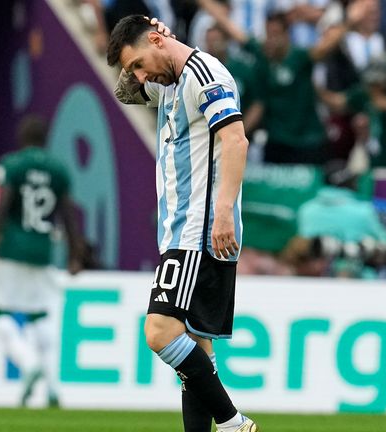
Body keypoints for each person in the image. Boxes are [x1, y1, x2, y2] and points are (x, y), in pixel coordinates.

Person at [107, 15, 256, 432]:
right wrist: (150, 51)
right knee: (196, 350)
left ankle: (231, 423)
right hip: (180, 228)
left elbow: (236, 139)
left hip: (199, 229)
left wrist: (224, 211)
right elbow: (126, 94)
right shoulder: (168, 78)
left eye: (139, 63)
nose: (139, 75)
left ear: (156, 40)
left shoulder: (205, 74)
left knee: (159, 332)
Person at [0, 114, 83, 407]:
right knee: (40, 317)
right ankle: (52, 388)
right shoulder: (59, 170)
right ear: (46, 139)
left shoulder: (12, 165)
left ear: (22, 139)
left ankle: (28, 363)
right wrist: (75, 254)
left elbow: (2, 206)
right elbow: (68, 215)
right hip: (43, 250)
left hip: (11, 249)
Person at [199, 0, 370, 165]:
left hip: (307, 142)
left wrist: (349, 22)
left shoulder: (299, 58)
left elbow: (325, 46)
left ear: (286, 35)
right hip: (276, 143)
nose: (271, 40)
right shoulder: (263, 55)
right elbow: (233, 30)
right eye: (268, 35)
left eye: (275, 35)